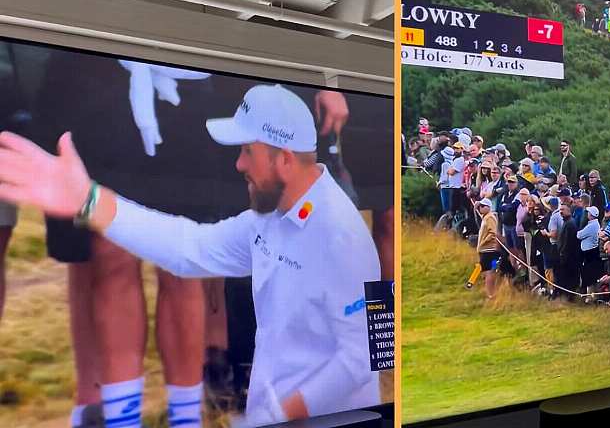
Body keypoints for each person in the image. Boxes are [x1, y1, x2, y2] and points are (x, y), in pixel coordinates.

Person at [0, 84, 383, 427]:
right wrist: (89, 200)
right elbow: (190, 247)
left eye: (247, 152)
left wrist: (274, 415)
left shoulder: (344, 237)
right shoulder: (269, 220)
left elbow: (363, 358)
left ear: (283, 158)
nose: (239, 165)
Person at [475, 198, 502, 299]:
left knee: (490, 271)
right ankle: (490, 293)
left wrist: (483, 242)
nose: (480, 208)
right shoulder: (485, 217)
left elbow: (492, 233)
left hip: (489, 250)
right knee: (490, 270)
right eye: (480, 206)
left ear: (488, 207)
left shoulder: (490, 217)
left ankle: (490, 293)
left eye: (482, 206)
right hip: (487, 250)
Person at [497, 175, 522, 273]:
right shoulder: (506, 194)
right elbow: (500, 207)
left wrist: (506, 206)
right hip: (506, 224)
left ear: (516, 183)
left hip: (514, 225)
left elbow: (512, 207)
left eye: (512, 182)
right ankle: (513, 267)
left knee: (518, 248)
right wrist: (506, 207)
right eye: (509, 182)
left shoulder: (518, 193)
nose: (510, 184)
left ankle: (521, 268)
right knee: (510, 247)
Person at [578, 206, 602, 299]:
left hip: (590, 253)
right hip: (589, 252)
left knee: (590, 275)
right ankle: (590, 295)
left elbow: (579, 235)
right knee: (589, 275)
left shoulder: (592, 226)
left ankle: (591, 297)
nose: (587, 214)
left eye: (588, 213)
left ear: (591, 215)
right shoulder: (593, 224)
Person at [557, 203, 580, 300]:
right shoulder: (566, 222)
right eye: (560, 210)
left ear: (569, 211)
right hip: (567, 255)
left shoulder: (570, 223)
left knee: (569, 277)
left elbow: (567, 242)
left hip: (569, 256)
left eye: (563, 209)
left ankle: (570, 296)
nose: (561, 211)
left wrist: (562, 253)